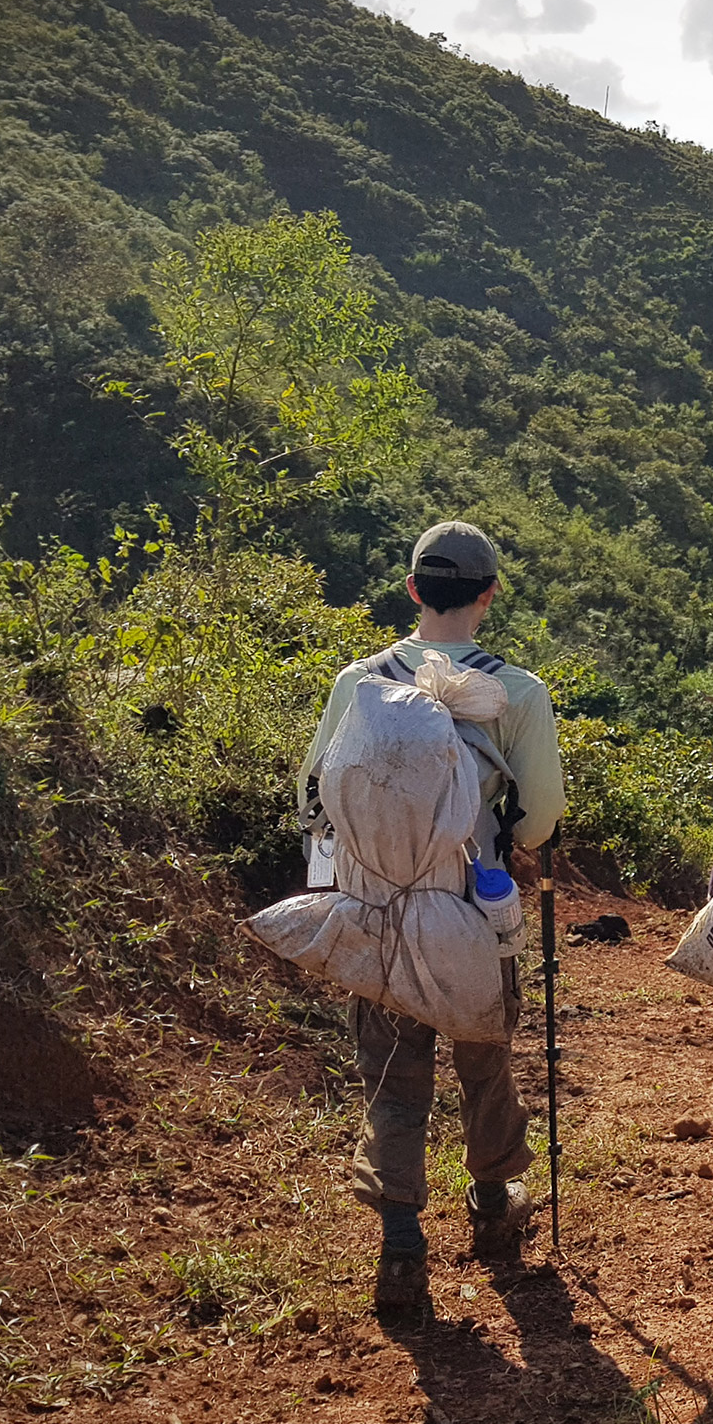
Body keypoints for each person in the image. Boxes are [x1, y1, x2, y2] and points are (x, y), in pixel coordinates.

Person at [298, 521, 567, 1317]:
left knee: (392, 1072)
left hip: (378, 909)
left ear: (413, 590)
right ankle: (492, 1206)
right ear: (489, 595)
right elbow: (542, 814)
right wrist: (503, 840)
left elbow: (314, 795)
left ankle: (400, 1242)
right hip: (471, 910)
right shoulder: (516, 692)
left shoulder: (360, 680)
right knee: (483, 1054)